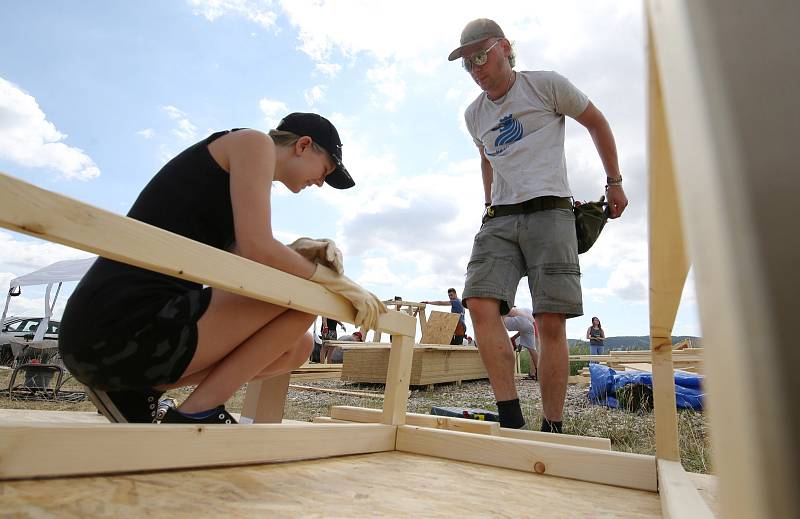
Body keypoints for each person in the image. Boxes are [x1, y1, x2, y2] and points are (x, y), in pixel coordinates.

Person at [58, 112, 386, 425]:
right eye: (325, 169)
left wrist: (297, 252)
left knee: (296, 347)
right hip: (113, 325)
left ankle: (136, 391)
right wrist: (339, 284)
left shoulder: (239, 181)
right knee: (304, 300)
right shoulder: (252, 143)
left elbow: (248, 263)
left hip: (117, 341)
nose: (320, 183)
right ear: (302, 145)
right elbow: (258, 248)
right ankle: (196, 414)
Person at [448, 19, 628, 432]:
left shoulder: (544, 85)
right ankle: (512, 418)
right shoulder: (474, 115)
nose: (476, 68)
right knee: (478, 303)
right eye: (467, 63)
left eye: (482, 55)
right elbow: (486, 158)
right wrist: (488, 201)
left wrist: (614, 182)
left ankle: (553, 426)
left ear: (505, 47)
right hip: (500, 217)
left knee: (549, 319)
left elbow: (597, 122)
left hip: (551, 212)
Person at [503, 307, 538, 380]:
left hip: (521, 321)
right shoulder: (530, 313)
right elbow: (523, 327)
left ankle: (505, 372)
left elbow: (510, 313)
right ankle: (539, 372)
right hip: (529, 326)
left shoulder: (514, 308)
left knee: (497, 321)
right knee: (532, 349)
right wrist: (514, 338)